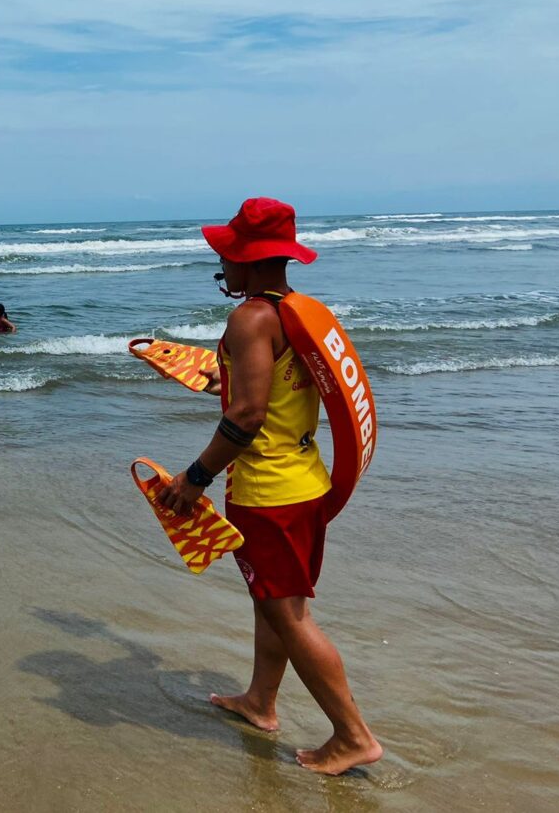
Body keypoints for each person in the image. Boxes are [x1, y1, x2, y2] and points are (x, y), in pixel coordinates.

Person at [156, 197, 382, 776]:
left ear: (251, 259)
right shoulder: (297, 311)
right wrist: (228, 380)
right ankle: (261, 701)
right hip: (305, 482)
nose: (221, 264)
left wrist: (194, 478)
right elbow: (276, 393)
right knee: (273, 603)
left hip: (269, 493)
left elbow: (249, 415)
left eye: (226, 254)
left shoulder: (250, 319)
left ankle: (353, 736)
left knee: (289, 615)